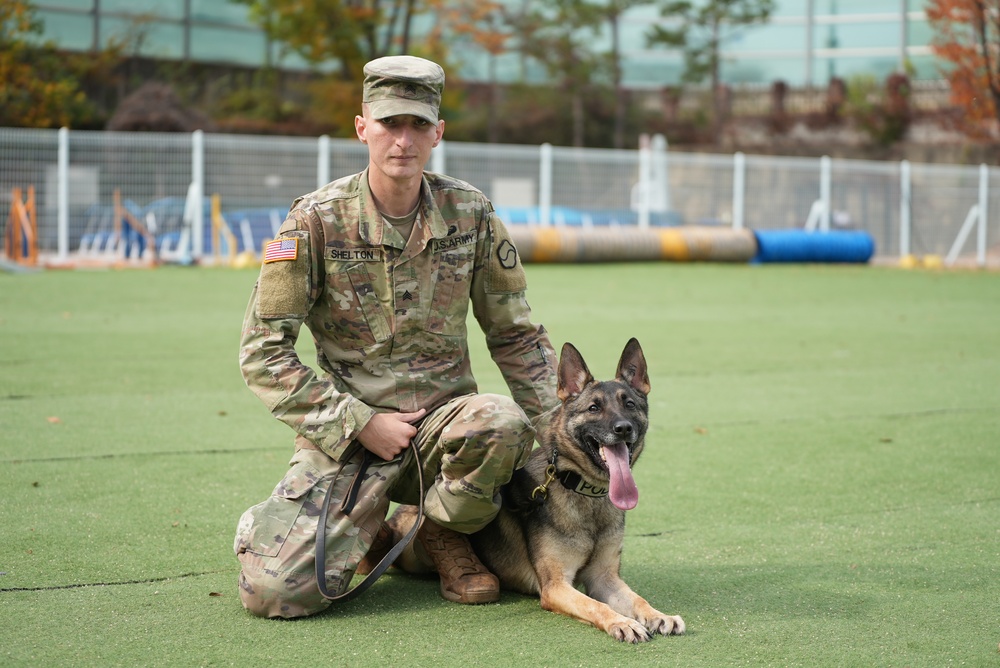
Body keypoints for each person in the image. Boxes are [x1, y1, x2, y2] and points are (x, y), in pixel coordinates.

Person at [233, 55, 559, 619]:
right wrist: (359, 421)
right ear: (363, 128)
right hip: (351, 435)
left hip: (446, 430)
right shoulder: (314, 222)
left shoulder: (471, 214)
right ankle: (368, 528)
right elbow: (263, 353)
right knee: (273, 594)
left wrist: (561, 437)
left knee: (502, 423)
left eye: (416, 126)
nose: (402, 140)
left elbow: (517, 336)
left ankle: (442, 532)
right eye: (388, 124)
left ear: (438, 133)